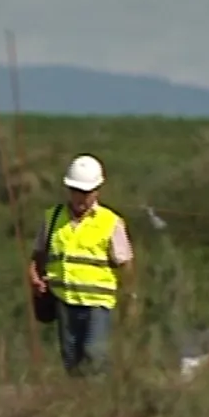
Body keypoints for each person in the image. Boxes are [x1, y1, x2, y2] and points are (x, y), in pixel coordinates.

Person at [29, 154, 135, 377]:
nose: (81, 197)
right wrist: (35, 277)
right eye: (77, 190)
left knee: (95, 355)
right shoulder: (52, 217)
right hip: (63, 300)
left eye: (86, 192)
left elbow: (125, 263)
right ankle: (78, 401)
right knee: (71, 358)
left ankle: (98, 402)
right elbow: (38, 254)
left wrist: (130, 297)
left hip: (97, 303)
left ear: (97, 191)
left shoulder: (110, 222)